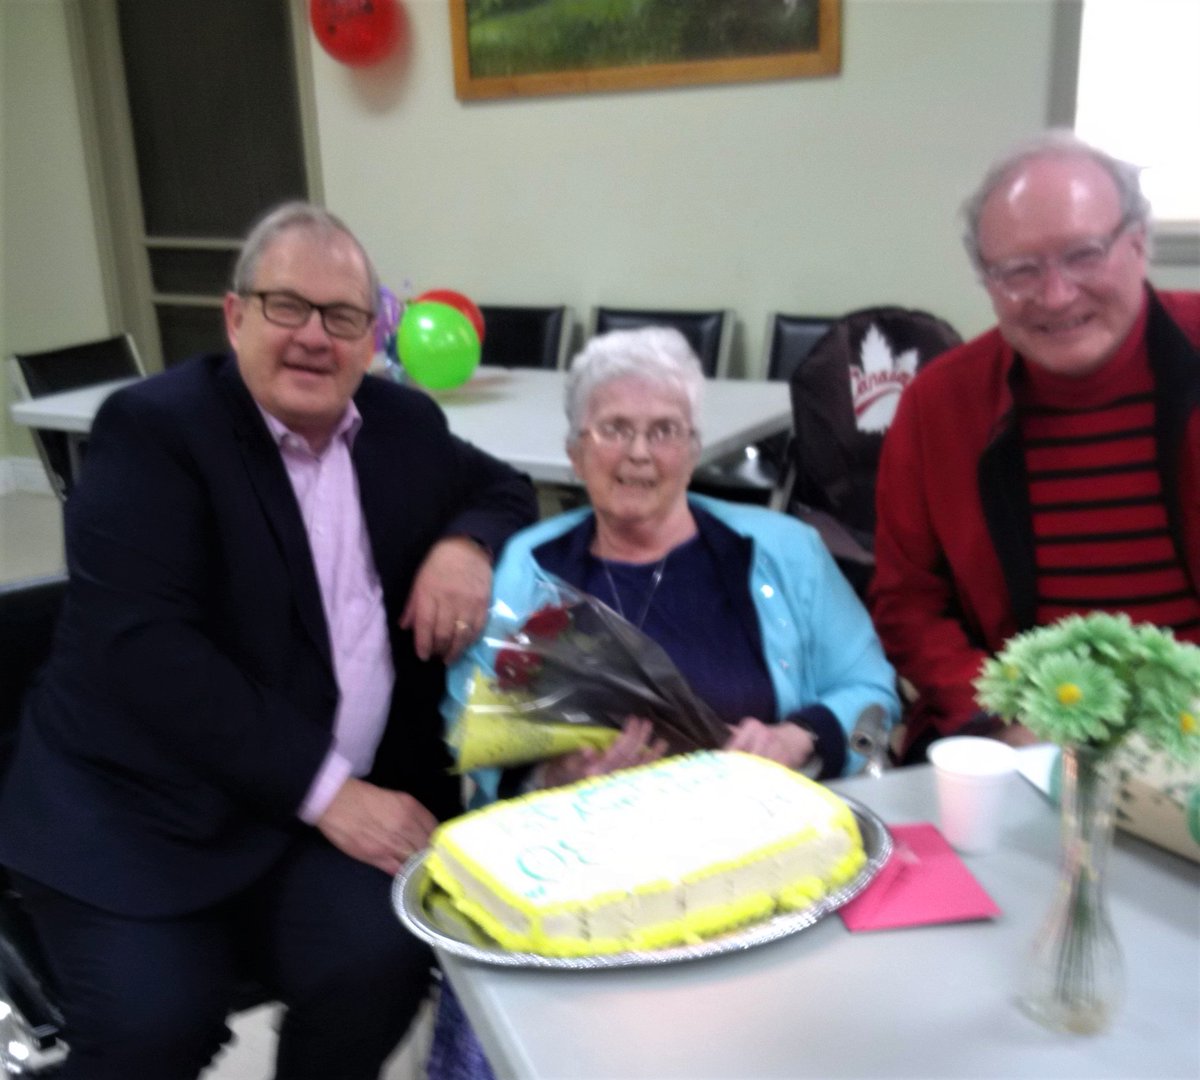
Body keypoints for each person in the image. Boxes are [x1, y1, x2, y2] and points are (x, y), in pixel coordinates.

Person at [0, 202, 538, 1079]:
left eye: (343, 317)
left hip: (288, 823)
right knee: (156, 1027)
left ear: (372, 339)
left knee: (385, 956)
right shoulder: (153, 433)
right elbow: (149, 654)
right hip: (142, 805)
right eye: (287, 305)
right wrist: (332, 795)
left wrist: (464, 545)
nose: (314, 337)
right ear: (235, 316)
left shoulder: (401, 427)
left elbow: (504, 488)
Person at [428, 325, 900, 1077]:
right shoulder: (531, 566)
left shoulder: (781, 551)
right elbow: (473, 729)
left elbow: (873, 696)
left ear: (694, 447)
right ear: (576, 450)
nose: (640, 454)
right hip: (586, 883)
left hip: (753, 875)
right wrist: (548, 777)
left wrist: (799, 737)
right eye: (615, 429)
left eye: (664, 430)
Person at [870, 131, 1200, 762]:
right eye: (1019, 270)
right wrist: (1005, 717)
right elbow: (908, 601)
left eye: (1084, 255)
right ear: (987, 281)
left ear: (1138, 243)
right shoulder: (939, 405)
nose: (1056, 295)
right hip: (1025, 741)